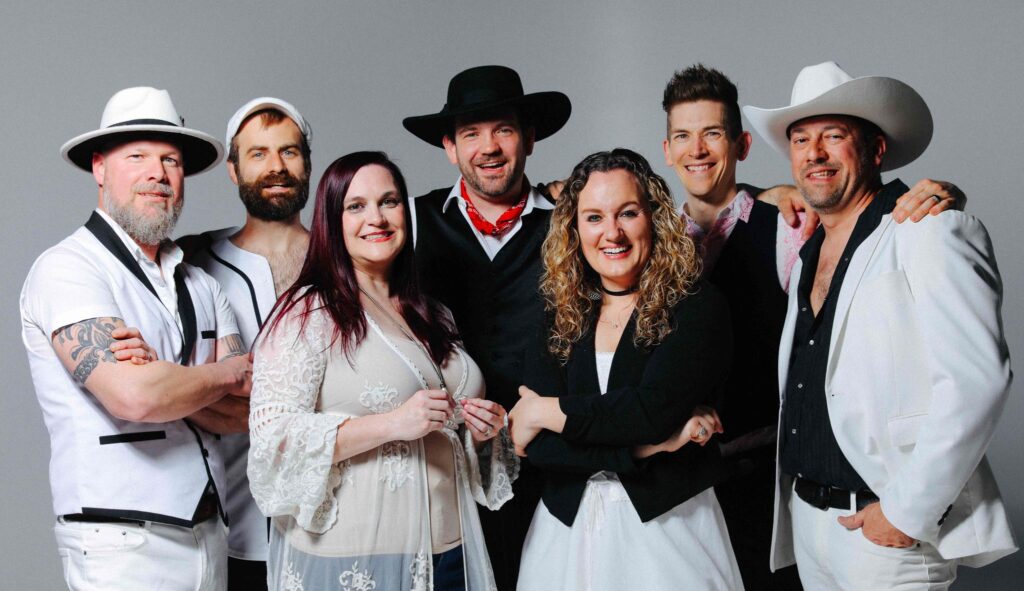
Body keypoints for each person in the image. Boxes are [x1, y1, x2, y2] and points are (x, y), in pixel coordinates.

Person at [659, 64, 966, 589]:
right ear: (667, 150)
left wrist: (942, 198)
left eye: (713, 133)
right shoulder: (643, 234)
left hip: (762, 475)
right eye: (683, 136)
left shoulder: (793, 225)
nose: (698, 150)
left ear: (742, 146)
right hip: (671, 478)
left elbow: (862, 224)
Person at [742, 61, 1017, 588]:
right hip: (808, 522)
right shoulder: (806, 255)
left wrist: (906, 514)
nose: (814, 154)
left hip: (887, 532)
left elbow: (978, 381)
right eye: (801, 140)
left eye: (833, 136)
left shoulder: (929, 227)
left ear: (876, 149)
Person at [247, 151, 518, 591]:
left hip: (453, 552)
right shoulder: (307, 314)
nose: (377, 217)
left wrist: (483, 434)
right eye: (356, 206)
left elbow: (455, 446)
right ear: (331, 221)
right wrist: (393, 424)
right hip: (362, 558)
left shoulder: (435, 315)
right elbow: (273, 444)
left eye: (389, 202)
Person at [20, 86, 252, 590]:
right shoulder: (68, 268)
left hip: (211, 533)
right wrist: (221, 373)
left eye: (171, 159)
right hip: (119, 541)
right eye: (138, 156)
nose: (158, 173)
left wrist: (168, 380)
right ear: (100, 168)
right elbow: (135, 395)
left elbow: (247, 411)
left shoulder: (202, 282)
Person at [510, 149, 742, 590]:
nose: (611, 232)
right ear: (574, 231)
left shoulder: (696, 307)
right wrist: (646, 449)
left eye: (628, 213)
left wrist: (544, 412)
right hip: (563, 534)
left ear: (653, 216)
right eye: (594, 217)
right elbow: (538, 451)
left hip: (670, 530)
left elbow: (647, 413)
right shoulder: (559, 314)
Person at [402, 64, 570, 590]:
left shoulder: (574, 221)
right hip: (443, 463)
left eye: (503, 129)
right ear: (450, 148)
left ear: (530, 139)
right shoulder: (409, 221)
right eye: (471, 134)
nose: (489, 147)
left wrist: (765, 194)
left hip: (549, 460)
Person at [181, 97, 313, 590]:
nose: (276, 167)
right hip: (237, 527)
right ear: (233, 171)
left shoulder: (350, 257)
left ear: (307, 163)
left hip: (344, 524)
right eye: (258, 154)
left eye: (289, 152)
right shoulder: (191, 265)